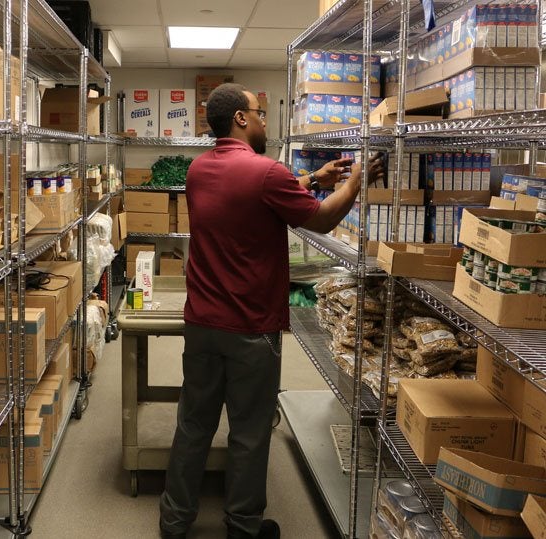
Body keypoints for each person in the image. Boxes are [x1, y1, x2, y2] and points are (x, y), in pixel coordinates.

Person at [158, 83, 383, 539]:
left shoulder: (199, 171)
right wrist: (358, 179)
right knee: (249, 431)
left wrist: (313, 180)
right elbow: (320, 219)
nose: (265, 121)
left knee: (193, 425)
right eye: (260, 113)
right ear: (241, 118)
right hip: (250, 331)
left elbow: (254, 198)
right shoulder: (266, 172)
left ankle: (174, 521)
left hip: (201, 323)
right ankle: (242, 526)